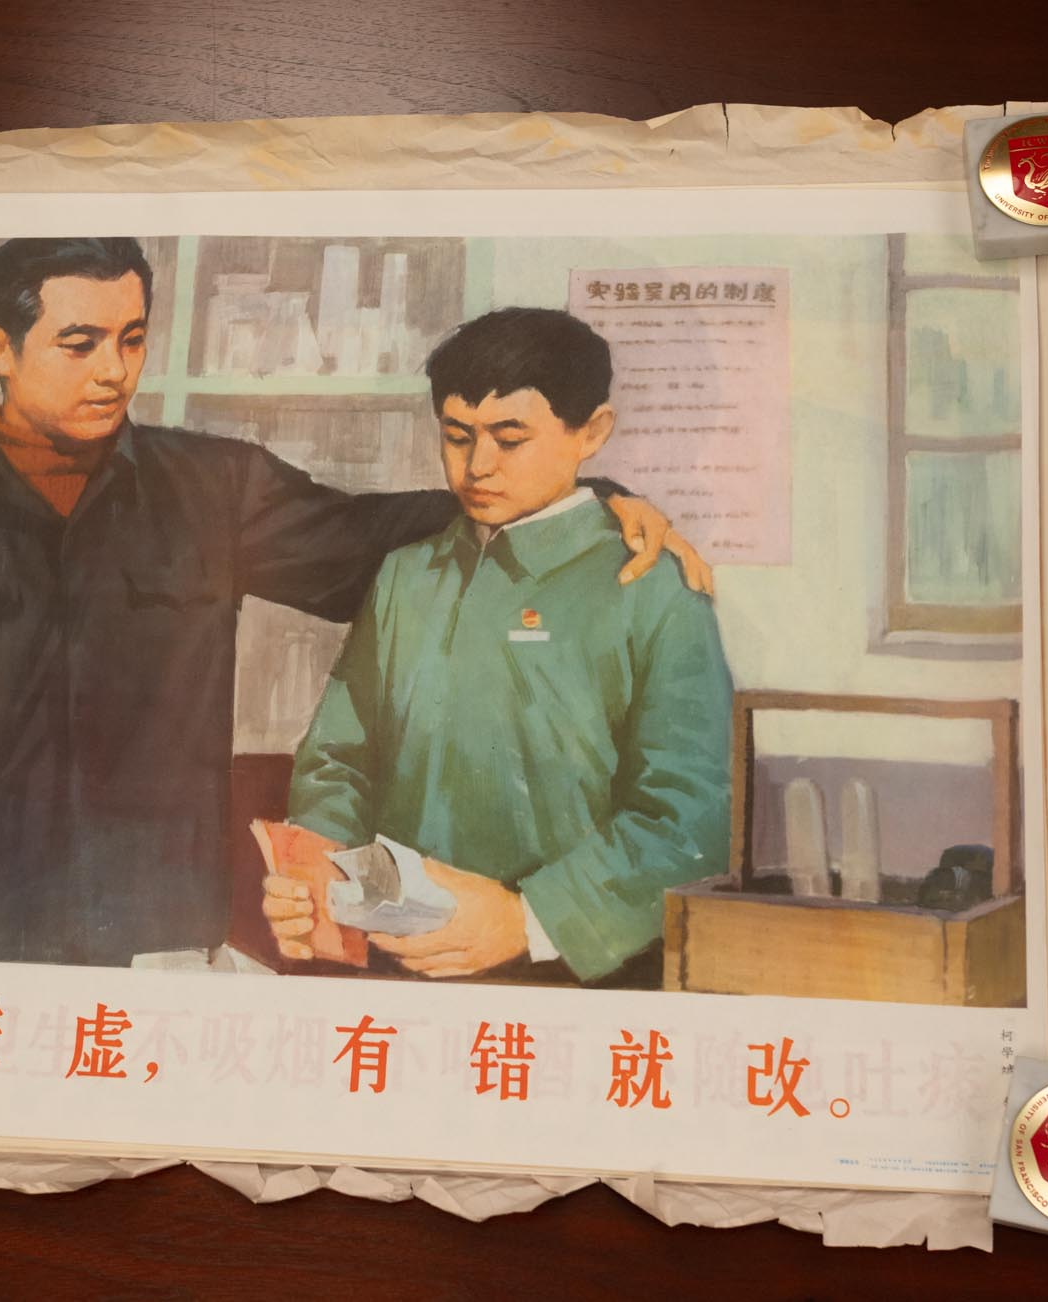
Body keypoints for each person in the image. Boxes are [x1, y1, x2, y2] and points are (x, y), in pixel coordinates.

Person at [0, 239, 711, 965]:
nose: (114, 370)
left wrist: (589, 501)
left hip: (155, 936)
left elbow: (386, 533)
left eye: (133, 339)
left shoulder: (213, 492)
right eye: (80, 343)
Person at [265, 307, 733, 985]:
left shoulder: (653, 586)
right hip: (397, 964)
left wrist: (526, 919)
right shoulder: (406, 575)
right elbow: (338, 760)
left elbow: (688, 819)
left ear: (592, 432)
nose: (478, 466)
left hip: (578, 975)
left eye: (510, 440)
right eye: (457, 437)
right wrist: (318, 874)